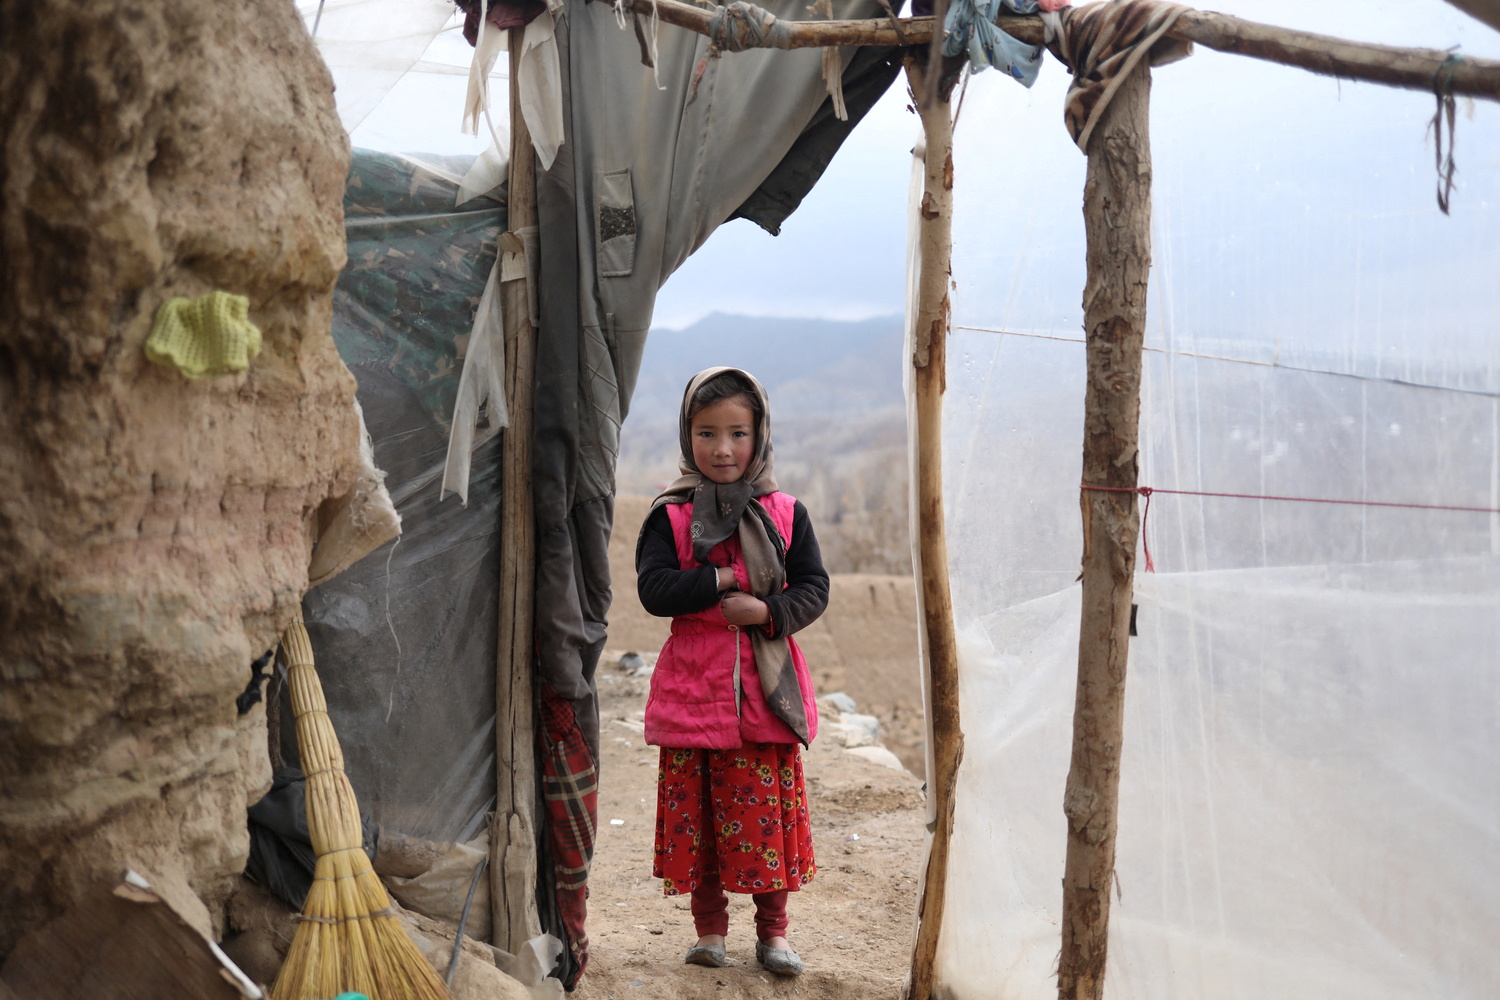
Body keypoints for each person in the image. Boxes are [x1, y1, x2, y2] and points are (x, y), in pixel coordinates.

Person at [635, 367, 830, 977]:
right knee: (702, 822)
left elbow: (814, 588)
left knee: (763, 817)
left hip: (765, 699)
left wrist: (768, 611)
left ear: (760, 435)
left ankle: (773, 935)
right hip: (696, 692)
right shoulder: (669, 515)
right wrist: (721, 579)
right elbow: (655, 590)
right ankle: (709, 934)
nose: (722, 449)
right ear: (687, 436)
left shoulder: (785, 512)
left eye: (738, 433)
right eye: (706, 433)